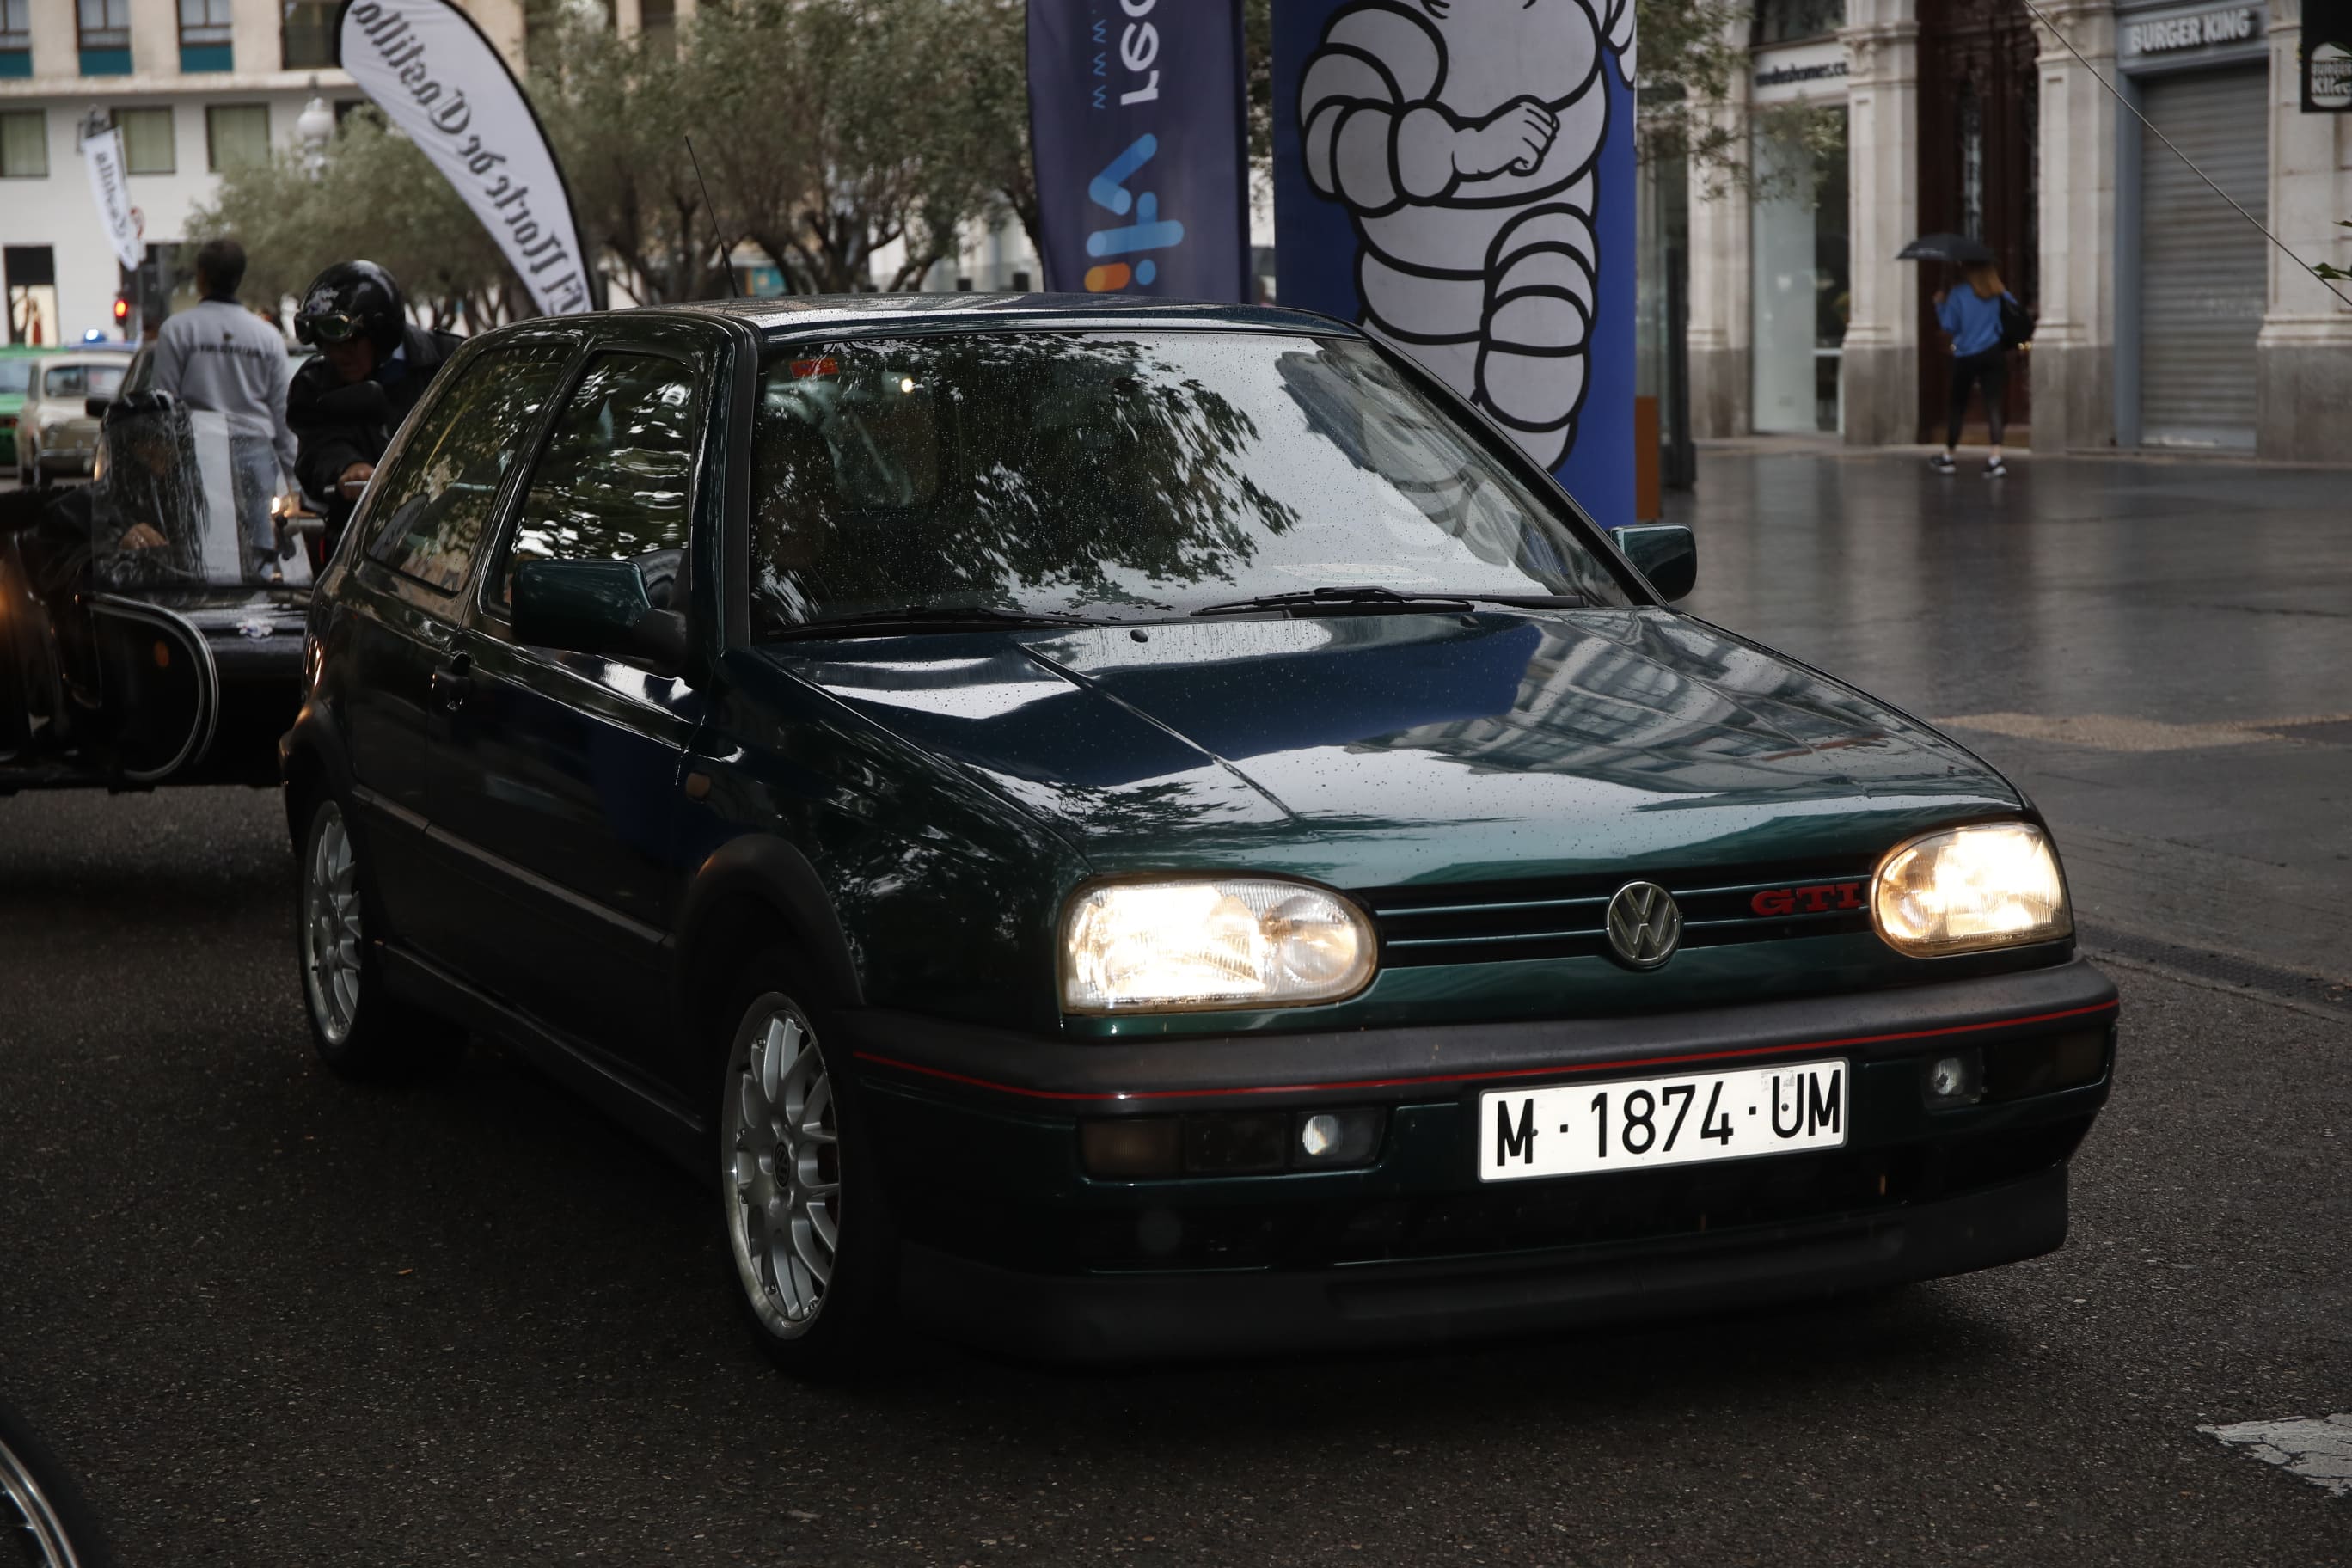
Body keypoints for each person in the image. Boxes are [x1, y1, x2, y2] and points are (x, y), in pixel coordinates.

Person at [285, 260, 463, 546]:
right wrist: (348, 467)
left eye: (350, 343)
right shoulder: (314, 384)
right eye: (328, 345)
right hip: (360, 542)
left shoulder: (454, 362)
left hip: (460, 532)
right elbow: (316, 448)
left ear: (381, 334)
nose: (338, 355)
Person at [150, 237, 299, 579]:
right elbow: (282, 414)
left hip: (197, 459)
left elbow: (163, 406)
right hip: (258, 460)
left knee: (202, 545)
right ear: (240, 277)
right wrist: (291, 480)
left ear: (201, 276)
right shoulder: (267, 338)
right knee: (260, 548)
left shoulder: (178, 331)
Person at [1931, 262, 2018, 478]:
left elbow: (1950, 326)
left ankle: (1949, 456)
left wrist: (1940, 304)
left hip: (1966, 355)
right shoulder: (1998, 293)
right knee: (1993, 405)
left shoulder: (1959, 293)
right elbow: (2015, 312)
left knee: (1958, 406)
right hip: (1992, 352)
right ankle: (1995, 458)